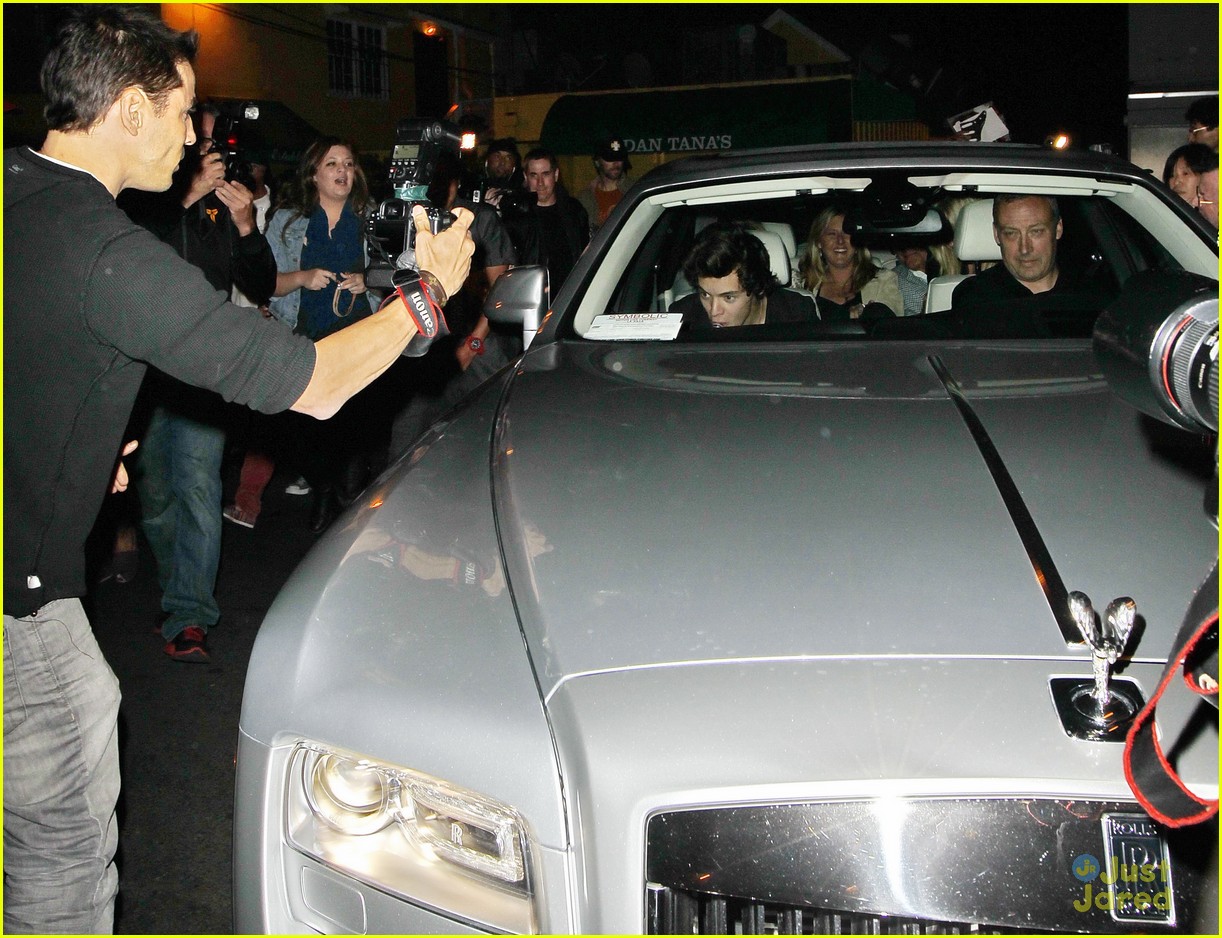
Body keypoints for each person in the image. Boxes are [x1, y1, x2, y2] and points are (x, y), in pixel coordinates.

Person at [3, 7, 473, 932]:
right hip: (18, 611)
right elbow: (317, 383)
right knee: (55, 866)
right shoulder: (106, 253)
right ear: (128, 109)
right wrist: (431, 293)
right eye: (181, 111)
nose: (194, 136)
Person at [119, 101, 276, 662]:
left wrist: (246, 226)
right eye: (201, 138)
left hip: (202, 369)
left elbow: (261, 282)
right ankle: (176, 592)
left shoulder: (224, 204)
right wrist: (185, 198)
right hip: (142, 371)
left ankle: (191, 615)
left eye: (217, 141)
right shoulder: (141, 195)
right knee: (156, 495)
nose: (209, 148)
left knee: (200, 489)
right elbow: (130, 257)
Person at [264, 137, 388, 533]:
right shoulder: (287, 221)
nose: (342, 171)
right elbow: (266, 283)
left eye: (348, 164)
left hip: (359, 338)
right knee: (315, 432)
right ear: (314, 174)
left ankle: (349, 510)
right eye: (332, 163)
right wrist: (303, 277)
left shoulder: (371, 218)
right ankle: (324, 492)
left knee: (356, 429)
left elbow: (398, 276)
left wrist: (366, 281)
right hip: (307, 341)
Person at [388, 151, 518, 458]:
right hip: (424, 343)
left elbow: (499, 290)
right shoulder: (410, 217)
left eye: (441, 182)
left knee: (483, 440)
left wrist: (472, 345)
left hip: (477, 339)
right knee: (406, 444)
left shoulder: (478, 218)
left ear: (455, 183)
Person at [668, 222, 816, 328]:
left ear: (757, 288)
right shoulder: (683, 318)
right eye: (705, 295)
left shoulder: (796, 315)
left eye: (728, 297)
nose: (714, 311)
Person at [951, 194, 1070, 308]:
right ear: (996, 234)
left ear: (1058, 229)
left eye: (1036, 232)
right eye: (1011, 233)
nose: (1024, 249)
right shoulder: (976, 297)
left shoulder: (1084, 290)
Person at [795, 207, 904, 319]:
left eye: (847, 233)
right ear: (819, 242)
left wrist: (869, 314)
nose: (840, 241)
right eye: (832, 234)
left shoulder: (883, 280)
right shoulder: (801, 285)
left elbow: (892, 329)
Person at [523, 146, 590, 292]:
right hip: (531, 295)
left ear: (556, 174)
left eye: (545, 174)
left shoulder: (574, 211)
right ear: (526, 177)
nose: (540, 182)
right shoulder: (519, 216)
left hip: (569, 295)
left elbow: (585, 254)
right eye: (534, 175)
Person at [577, 135, 631, 236]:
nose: (616, 163)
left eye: (619, 158)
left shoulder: (634, 190)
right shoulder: (585, 198)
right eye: (610, 158)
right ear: (597, 162)